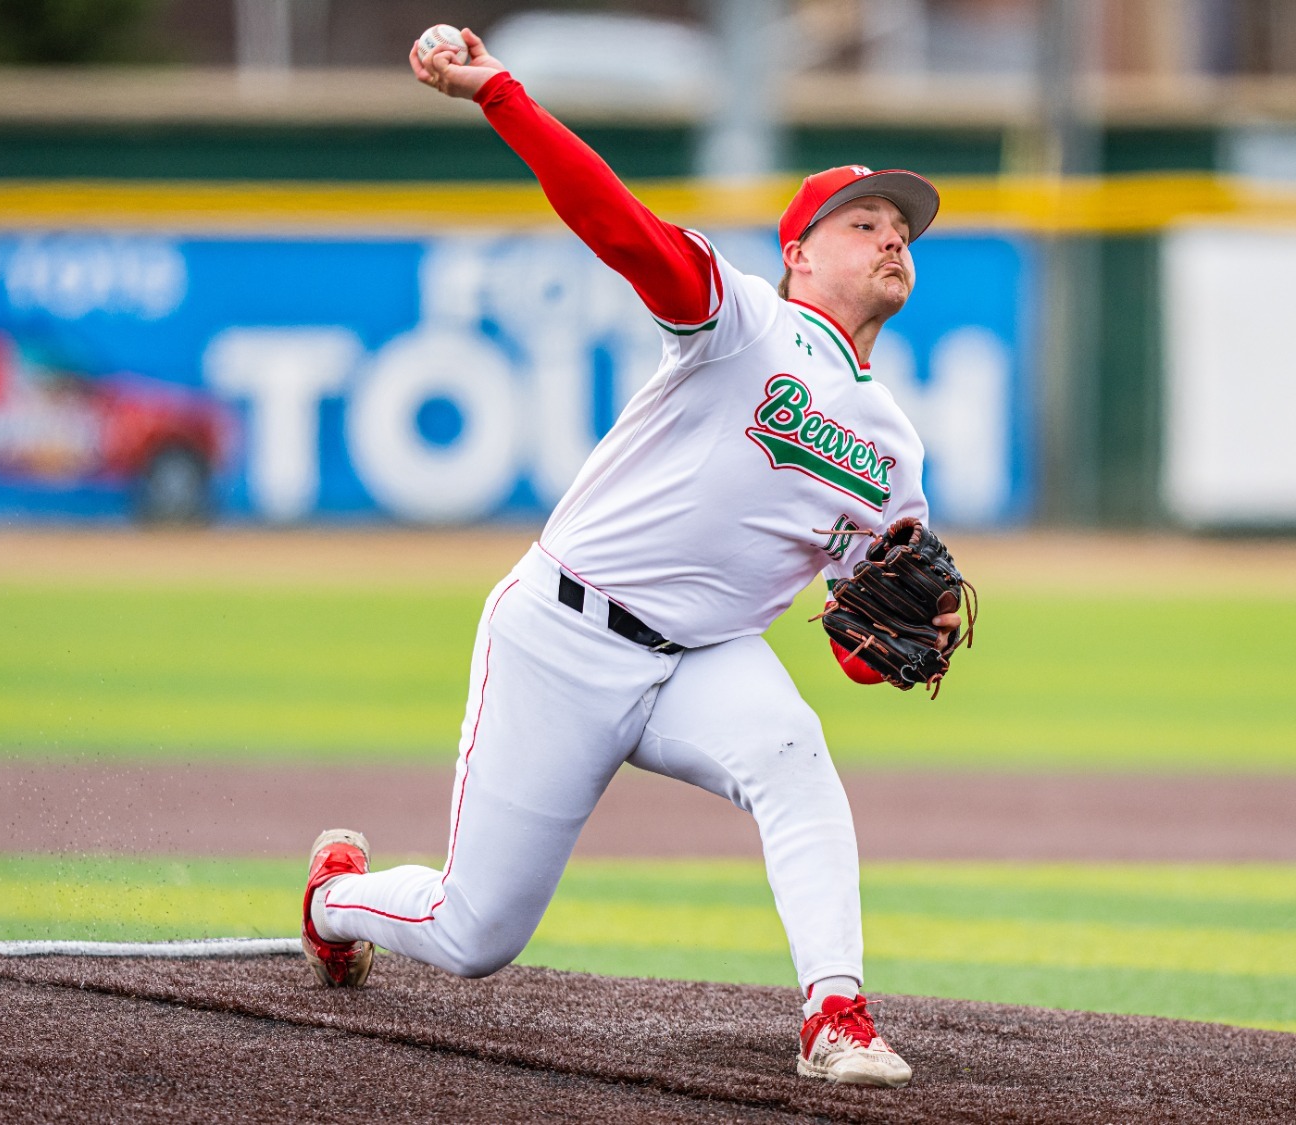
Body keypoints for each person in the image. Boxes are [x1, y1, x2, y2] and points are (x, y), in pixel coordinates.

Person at [299, 25, 959, 1088]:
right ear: (797, 253)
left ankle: (834, 1016)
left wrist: (901, 640)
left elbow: (855, 634)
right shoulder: (741, 320)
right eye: (865, 222)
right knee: (474, 935)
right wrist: (500, 94)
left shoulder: (894, 449)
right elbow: (615, 222)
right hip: (563, 634)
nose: (893, 239)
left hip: (703, 658)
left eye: (903, 230)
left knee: (794, 756)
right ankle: (335, 898)